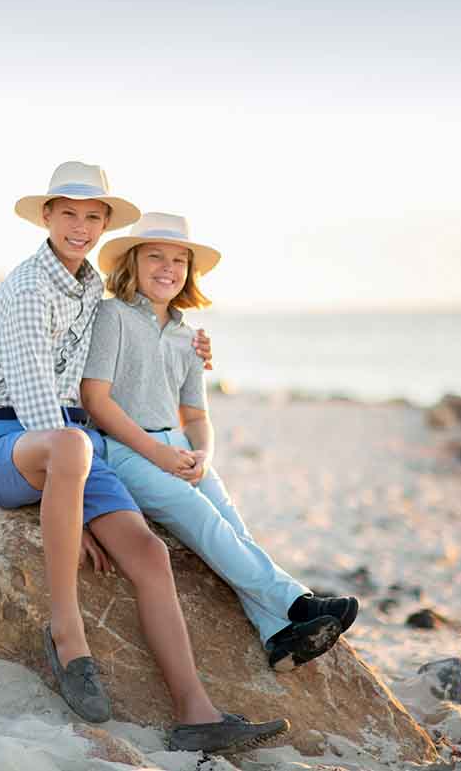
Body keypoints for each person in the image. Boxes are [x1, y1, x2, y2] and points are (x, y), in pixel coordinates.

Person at [0, 162, 289, 752]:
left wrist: (189, 344)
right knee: (70, 444)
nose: (81, 226)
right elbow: (37, 397)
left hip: (72, 449)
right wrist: (71, 505)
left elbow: (134, 337)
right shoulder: (28, 288)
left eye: (93, 217)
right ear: (47, 216)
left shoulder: (90, 286)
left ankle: (196, 713)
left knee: (148, 553)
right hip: (3, 441)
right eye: (69, 213)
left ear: (106, 224)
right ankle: (68, 636)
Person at [80, 212, 359, 673]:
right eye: (155, 256)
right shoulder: (113, 316)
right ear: (132, 261)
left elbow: (195, 415)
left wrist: (203, 456)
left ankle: (277, 636)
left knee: (232, 526)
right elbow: (96, 399)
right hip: (124, 449)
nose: (167, 268)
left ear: (189, 272)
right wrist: (159, 454)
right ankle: (296, 603)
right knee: (203, 520)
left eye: (178, 260)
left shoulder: (191, 337)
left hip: (179, 447)